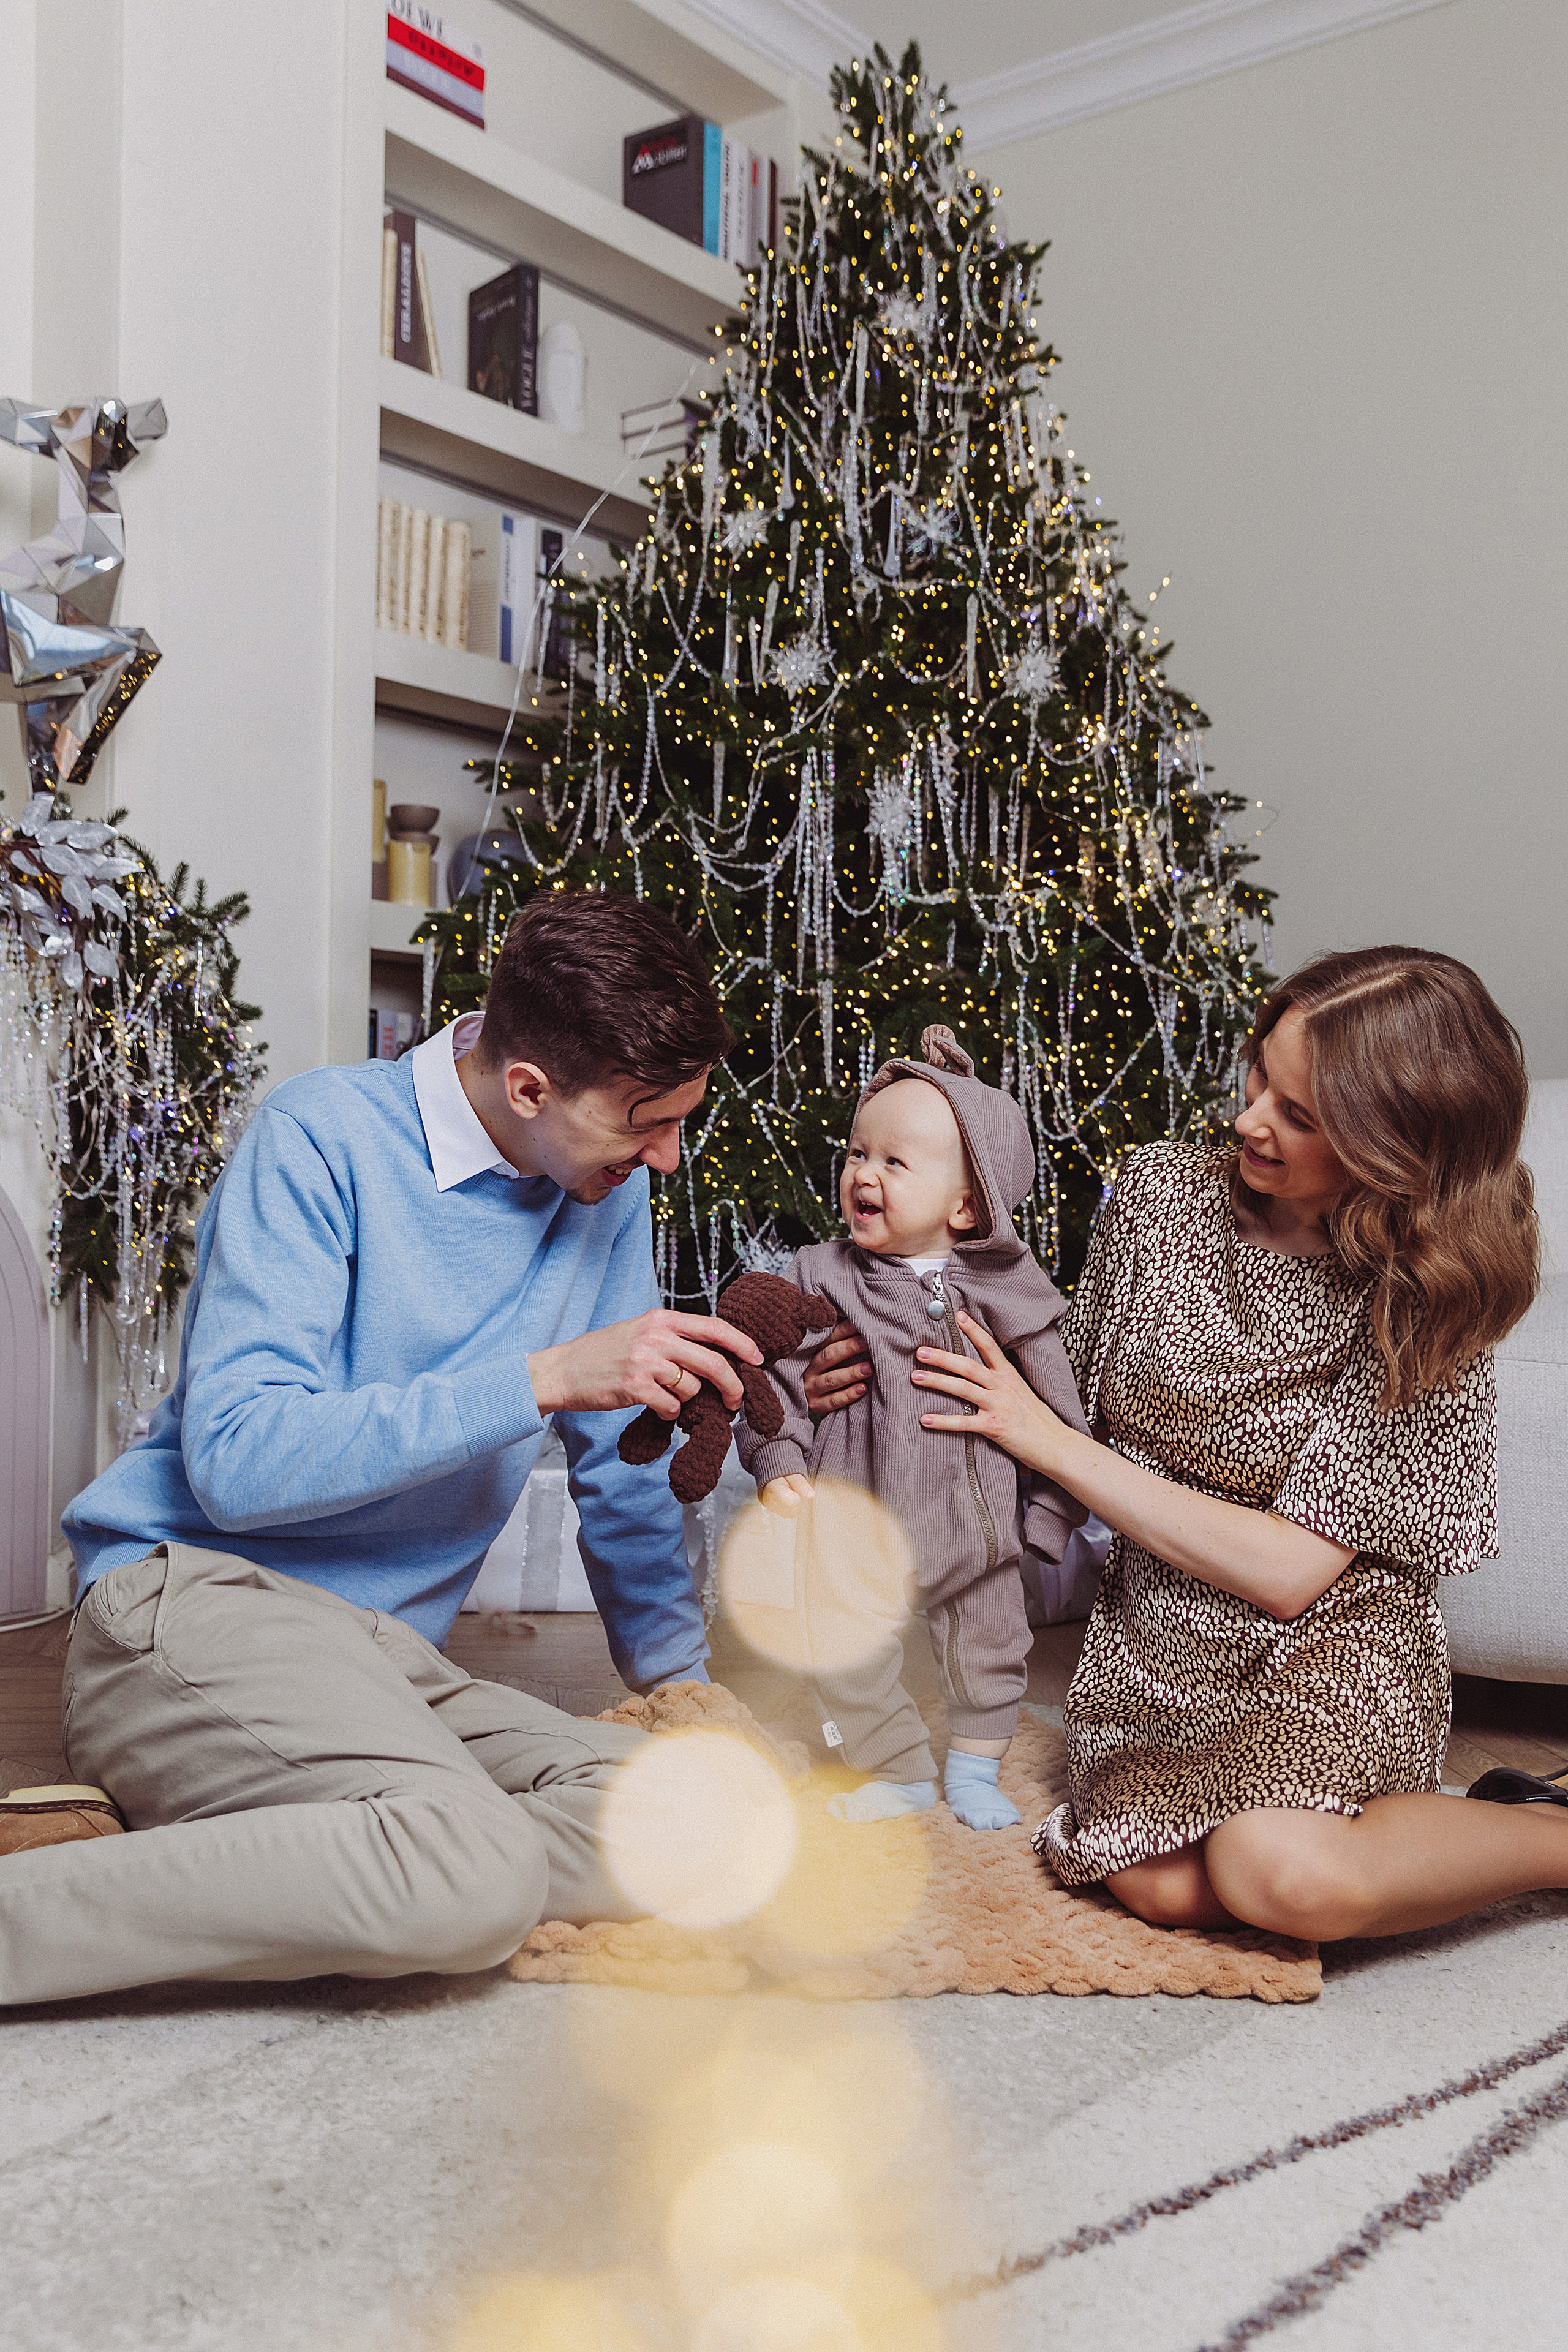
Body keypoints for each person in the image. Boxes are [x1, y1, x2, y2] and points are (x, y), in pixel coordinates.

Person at [0, 893, 765, 2004]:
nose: (670, 1157)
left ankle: (293, 1836)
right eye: (647, 1120)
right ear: (529, 1089)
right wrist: (542, 1376)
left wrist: (685, 1697)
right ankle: (373, 1846)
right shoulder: (319, 1139)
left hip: (384, 1667)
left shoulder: (596, 1188)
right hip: (194, 1606)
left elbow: (623, 1478)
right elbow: (239, 1457)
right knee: (474, 1881)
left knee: (726, 1817)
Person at [817, 946, 1568, 1944]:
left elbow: (1291, 1571)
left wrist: (1052, 1445)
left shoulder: (1424, 1299)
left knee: (1280, 1876)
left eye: (1302, 1115)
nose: (1252, 1117)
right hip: (1157, 1645)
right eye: (1262, 1073)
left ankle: (1550, 1835)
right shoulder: (1162, 1194)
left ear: (1395, 1144)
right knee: (1161, 1890)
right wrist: (860, 1377)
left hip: (1332, 1643)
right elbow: (1054, 1381)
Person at [736, 1027, 1088, 1830]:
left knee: (991, 1648)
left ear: (969, 1203)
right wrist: (779, 1456)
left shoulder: (1007, 1290)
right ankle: (894, 1768)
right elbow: (773, 1379)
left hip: (976, 1525)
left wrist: (1050, 1513)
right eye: (859, 1153)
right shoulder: (819, 1275)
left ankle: (973, 1767)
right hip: (849, 1522)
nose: (864, 1173)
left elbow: (1059, 1409)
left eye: (895, 1162)